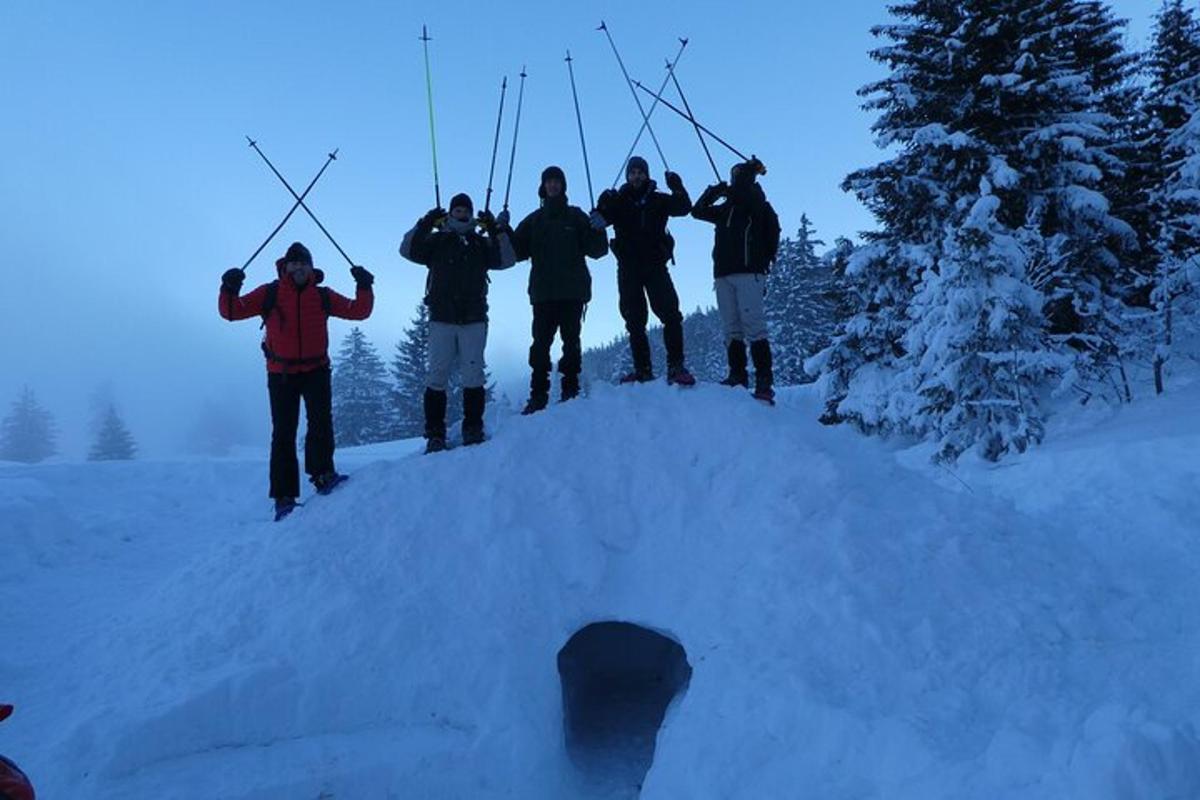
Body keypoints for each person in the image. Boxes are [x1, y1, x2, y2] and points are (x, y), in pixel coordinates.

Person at [218, 242, 374, 520]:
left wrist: (364, 286)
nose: (299, 267)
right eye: (294, 263)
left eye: (304, 263)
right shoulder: (271, 293)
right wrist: (229, 288)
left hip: (317, 370)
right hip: (281, 373)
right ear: (285, 267)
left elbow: (358, 311)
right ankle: (284, 497)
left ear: (311, 268)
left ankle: (323, 475)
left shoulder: (322, 295)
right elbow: (231, 311)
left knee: (321, 424)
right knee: (283, 433)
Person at [399, 192, 515, 453]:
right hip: (442, 318)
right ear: (450, 213)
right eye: (457, 210)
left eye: (465, 210)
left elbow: (507, 260)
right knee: (437, 375)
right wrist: (425, 222)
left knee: (473, 374)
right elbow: (406, 249)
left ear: (471, 213)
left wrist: (497, 230)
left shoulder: (479, 242)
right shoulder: (437, 240)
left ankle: (473, 428)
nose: (462, 213)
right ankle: (435, 434)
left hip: (473, 319)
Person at [503, 166, 609, 414]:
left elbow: (598, 251)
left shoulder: (577, 217)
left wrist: (599, 228)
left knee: (571, 343)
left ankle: (570, 390)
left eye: (556, 181)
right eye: (549, 181)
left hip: (572, 292)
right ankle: (538, 395)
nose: (553, 185)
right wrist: (503, 230)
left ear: (563, 185)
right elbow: (516, 252)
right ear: (543, 186)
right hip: (543, 294)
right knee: (540, 345)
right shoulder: (534, 221)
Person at [595, 156, 696, 385]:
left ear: (647, 175)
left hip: (655, 265)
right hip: (628, 268)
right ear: (628, 176)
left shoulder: (659, 199)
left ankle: (676, 366)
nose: (637, 176)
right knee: (634, 319)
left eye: (640, 172)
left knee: (670, 313)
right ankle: (643, 370)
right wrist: (603, 203)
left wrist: (678, 188)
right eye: (633, 172)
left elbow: (684, 207)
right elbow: (599, 220)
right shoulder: (619, 201)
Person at [691, 159, 781, 403]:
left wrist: (745, 176)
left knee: (754, 326)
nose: (734, 178)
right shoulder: (726, 207)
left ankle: (764, 381)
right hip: (723, 274)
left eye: (737, 174)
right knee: (732, 328)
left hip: (749, 271)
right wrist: (713, 192)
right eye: (733, 175)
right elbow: (697, 211)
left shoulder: (756, 201)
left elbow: (750, 200)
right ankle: (737, 376)